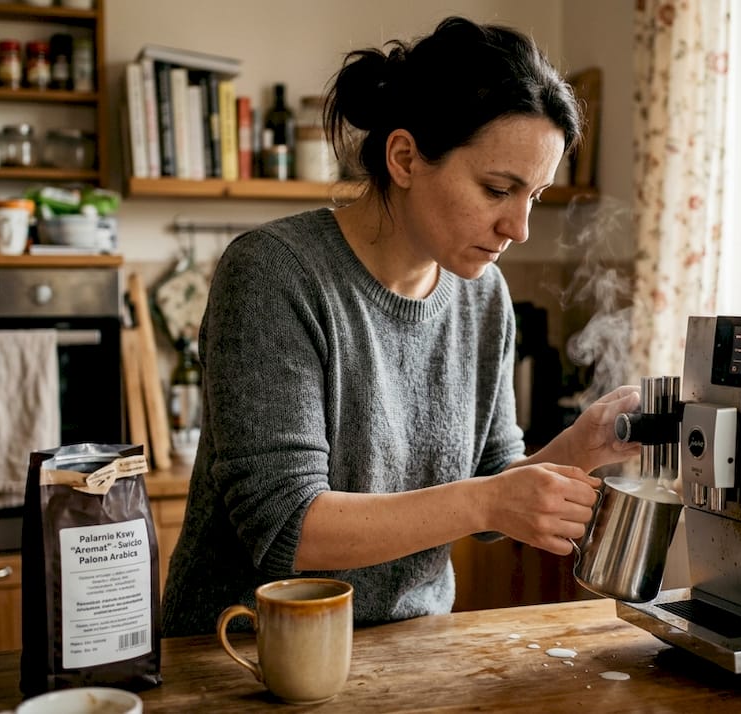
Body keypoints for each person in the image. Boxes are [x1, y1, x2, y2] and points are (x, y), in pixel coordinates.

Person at [161, 16, 641, 636]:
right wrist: (488, 499)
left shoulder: (483, 296)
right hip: (244, 654)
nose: (518, 228)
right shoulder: (274, 274)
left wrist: (580, 448)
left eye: (536, 196)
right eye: (498, 188)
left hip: (406, 650)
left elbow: (492, 495)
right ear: (405, 157)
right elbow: (288, 526)